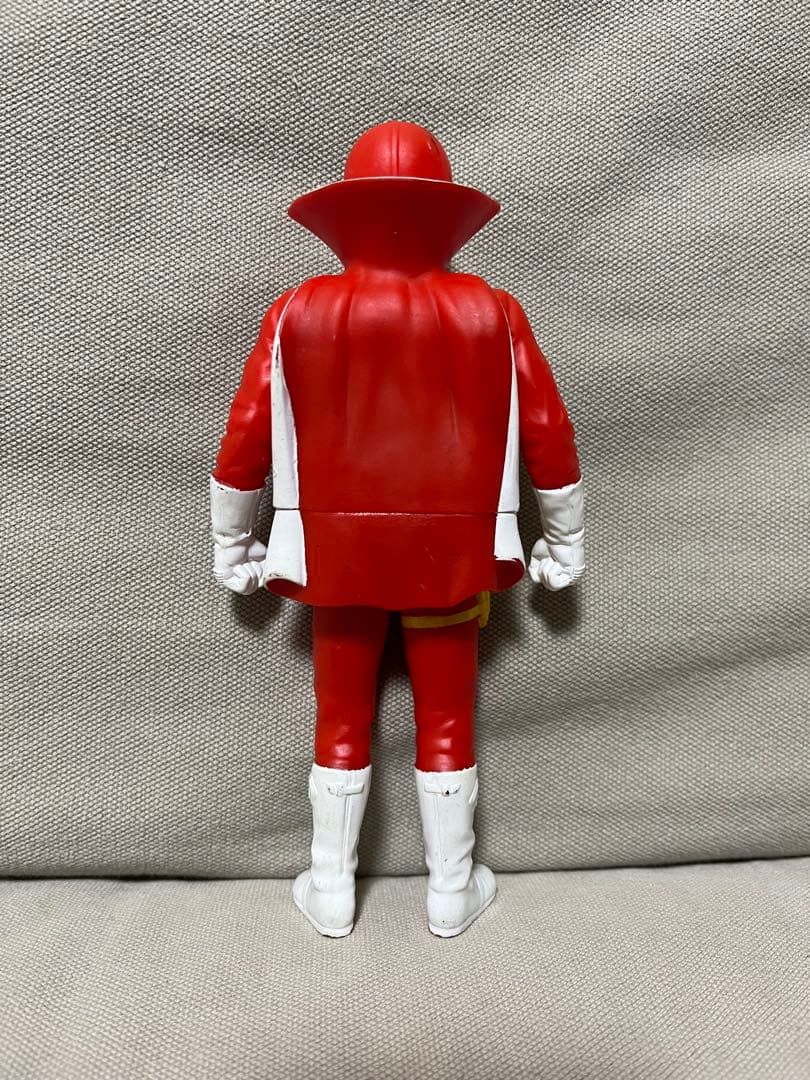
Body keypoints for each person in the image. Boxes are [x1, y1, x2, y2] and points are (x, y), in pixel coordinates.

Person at [209, 120, 585, 938]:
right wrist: (564, 538)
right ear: (445, 216)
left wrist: (231, 540)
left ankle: (330, 887)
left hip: (334, 556)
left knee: (339, 715)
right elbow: (547, 431)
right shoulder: (494, 311)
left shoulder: (296, 310)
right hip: (450, 556)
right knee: (448, 717)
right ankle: (451, 891)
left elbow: (247, 433)